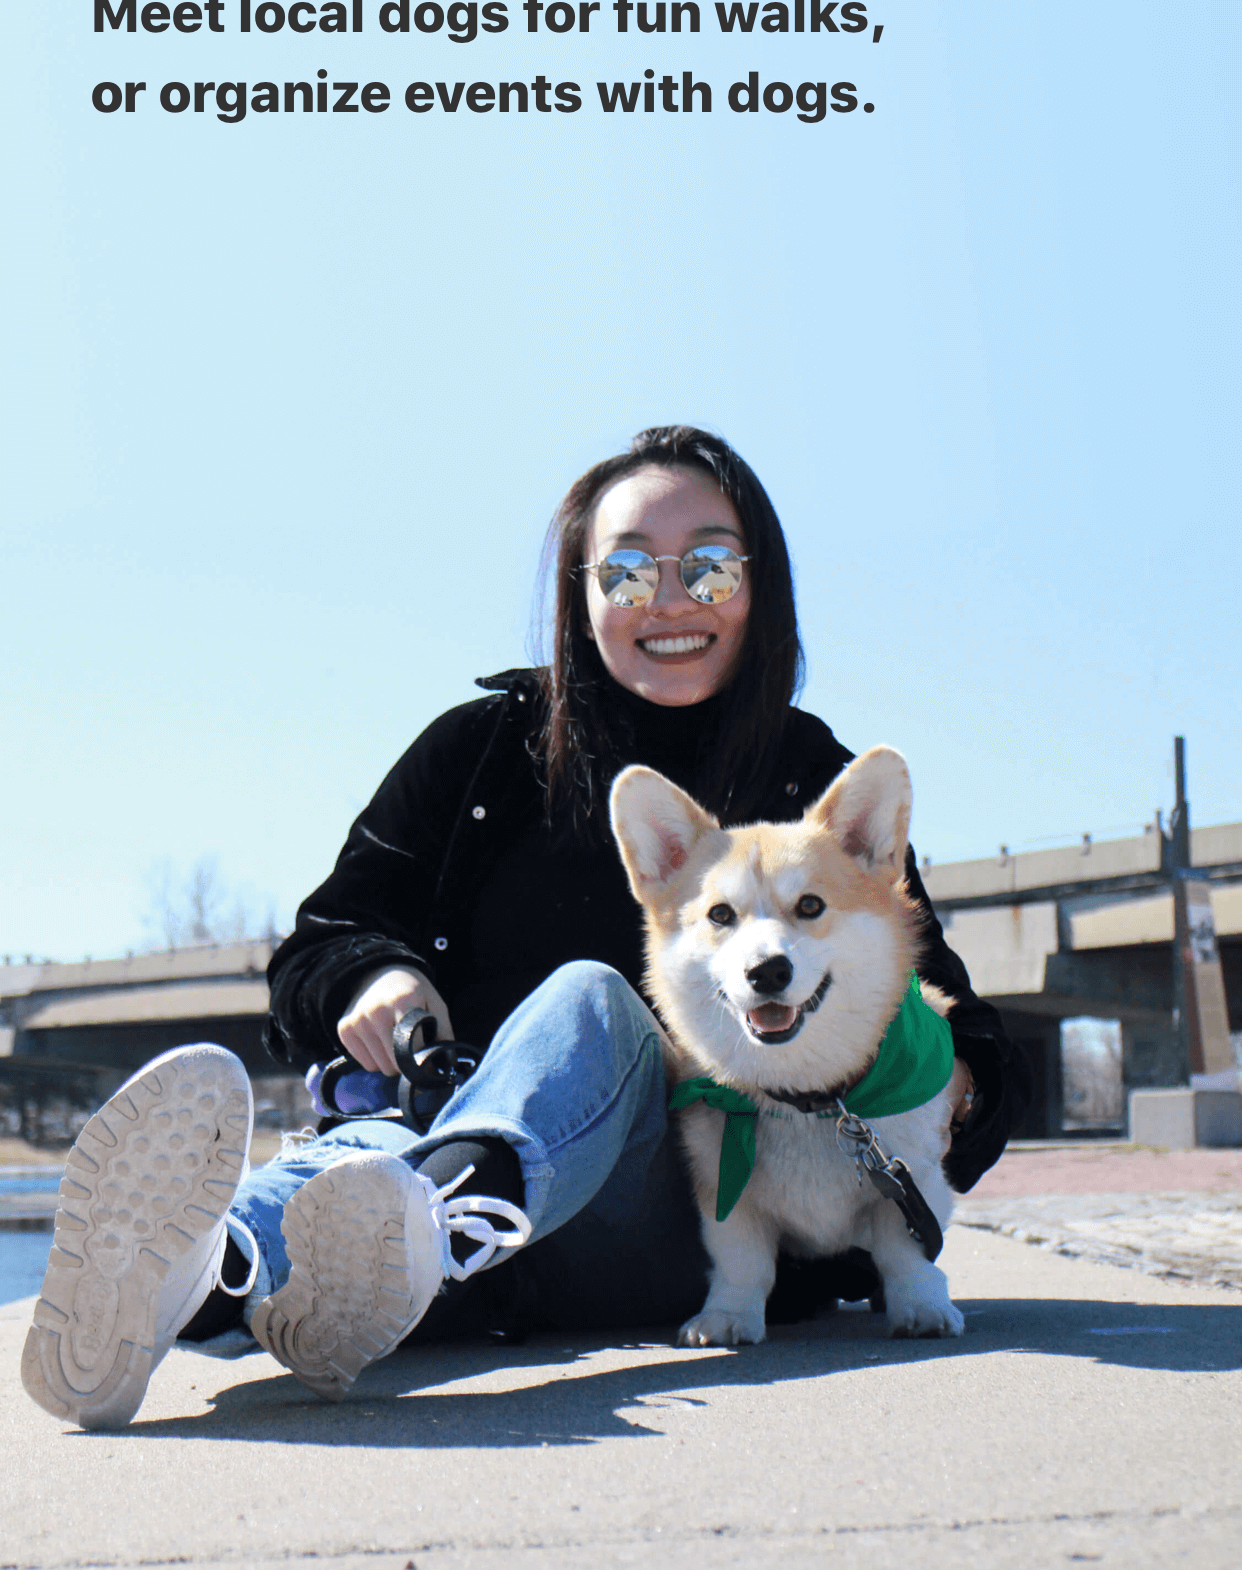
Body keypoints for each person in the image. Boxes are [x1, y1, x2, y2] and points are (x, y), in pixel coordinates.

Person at [22, 424, 1030, 1432]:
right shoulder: (478, 752)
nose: (669, 599)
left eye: (710, 566)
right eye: (627, 571)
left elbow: (956, 1029)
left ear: (758, 587)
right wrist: (373, 976)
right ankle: (192, 1284)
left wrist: (943, 1090)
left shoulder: (814, 790)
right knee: (358, 1157)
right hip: (431, 1152)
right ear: (580, 595)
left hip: (678, 1224)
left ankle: (436, 1223)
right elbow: (321, 943)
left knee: (594, 1004)